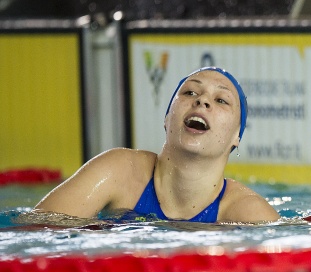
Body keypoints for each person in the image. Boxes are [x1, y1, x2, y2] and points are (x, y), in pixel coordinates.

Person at [34, 66, 279, 223]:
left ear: (237, 137)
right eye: (190, 93)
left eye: (221, 100)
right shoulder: (118, 172)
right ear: (167, 118)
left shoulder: (248, 214)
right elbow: (34, 229)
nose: (202, 100)